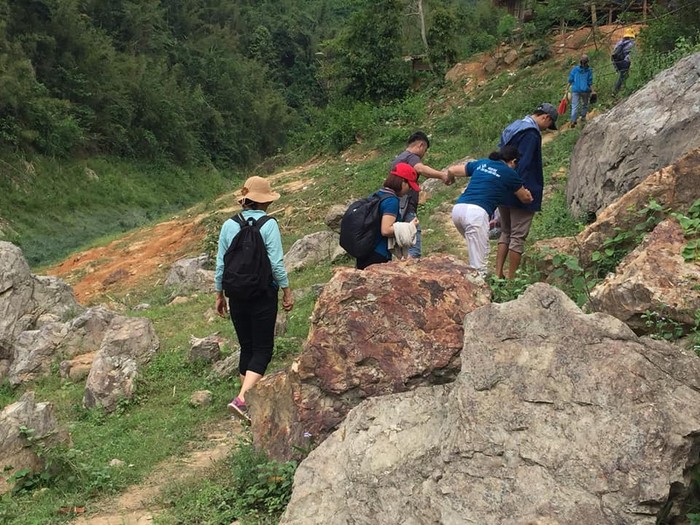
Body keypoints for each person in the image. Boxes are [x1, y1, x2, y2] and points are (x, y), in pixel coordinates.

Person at [214, 176, 294, 422]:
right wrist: (286, 290)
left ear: (244, 199)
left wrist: (219, 294)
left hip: (236, 293)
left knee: (247, 347)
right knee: (263, 349)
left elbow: (221, 263)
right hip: (262, 293)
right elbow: (276, 264)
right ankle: (241, 399)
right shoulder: (269, 225)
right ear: (265, 202)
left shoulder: (229, 225)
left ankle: (247, 404)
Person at [495, 102, 558, 279]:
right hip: (521, 190)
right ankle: (511, 279)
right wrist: (520, 189)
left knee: (505, 231)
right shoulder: (531, 134)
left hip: (503, 186)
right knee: (518, 235)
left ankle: (497, 274)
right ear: (545, 117)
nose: (546, 129)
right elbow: (525, 163)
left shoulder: (514, 126)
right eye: (548, 124)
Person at [447, 145, 533, 273]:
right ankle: (478, 289)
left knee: (475, 249)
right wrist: (529, 195)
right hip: (476, 213)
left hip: (458, 210)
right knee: (480, 264)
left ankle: (468, 281)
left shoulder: (482, 163)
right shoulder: (509, 172)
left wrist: (450, 179)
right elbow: (524, 198)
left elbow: (452, 170)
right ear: (513, 161)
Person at [390, 131, 452, 258]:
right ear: (421, 145)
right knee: (414, 243)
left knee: (402, 242)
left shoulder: (399, 158)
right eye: (425, 150)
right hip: (407, 205)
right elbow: (421, 169)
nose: (424, 154)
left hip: (398, 204)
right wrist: (442, 175)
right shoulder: (412, 157)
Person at [357, 163, 420, 270]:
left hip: (365, 250)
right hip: (378, 254)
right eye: (409, 186)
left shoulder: (377, 195)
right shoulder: (392, 201)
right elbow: (386, 230)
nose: (409, 190)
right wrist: (410, 226)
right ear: (403, 182)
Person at [568, 54, 593, 127]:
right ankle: (583, 118)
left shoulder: (575, 69)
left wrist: (566, 89)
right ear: (587, 62)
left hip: (575, 90)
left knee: (574, 106)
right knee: (585, 104)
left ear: (580, 61)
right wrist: (593, 91)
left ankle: (573, 120)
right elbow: (590, 82)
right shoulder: (589, 70)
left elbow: (570, 80)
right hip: (585, 90)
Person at [612, 28, 636, 94]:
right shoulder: (631, 43)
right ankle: (615, 92)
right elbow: (633, 54)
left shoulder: (619, 42)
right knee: (622, 76)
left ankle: (624, 88)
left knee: (625, 75)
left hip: (617, 62)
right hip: (625, 62)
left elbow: (614, 53)